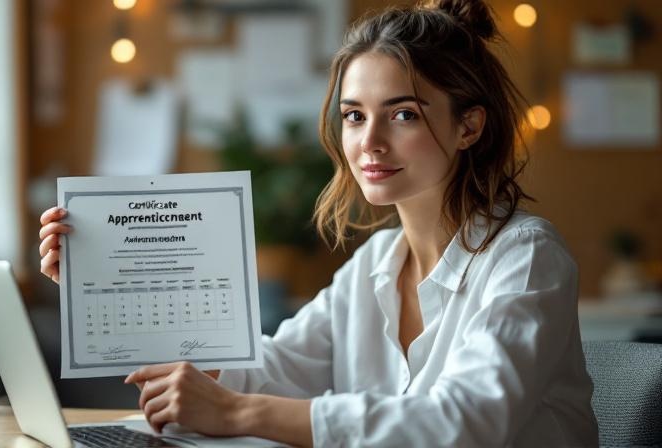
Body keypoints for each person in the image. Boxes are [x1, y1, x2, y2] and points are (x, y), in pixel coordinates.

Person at [38, 0, 599, 445]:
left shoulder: (526, 257)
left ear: (468, 126)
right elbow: (270, 368)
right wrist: (105, 287)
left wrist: (239, 412)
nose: (369, 142)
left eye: (403, 114)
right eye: (354, 116)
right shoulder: (375, 265)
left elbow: (461, 424)